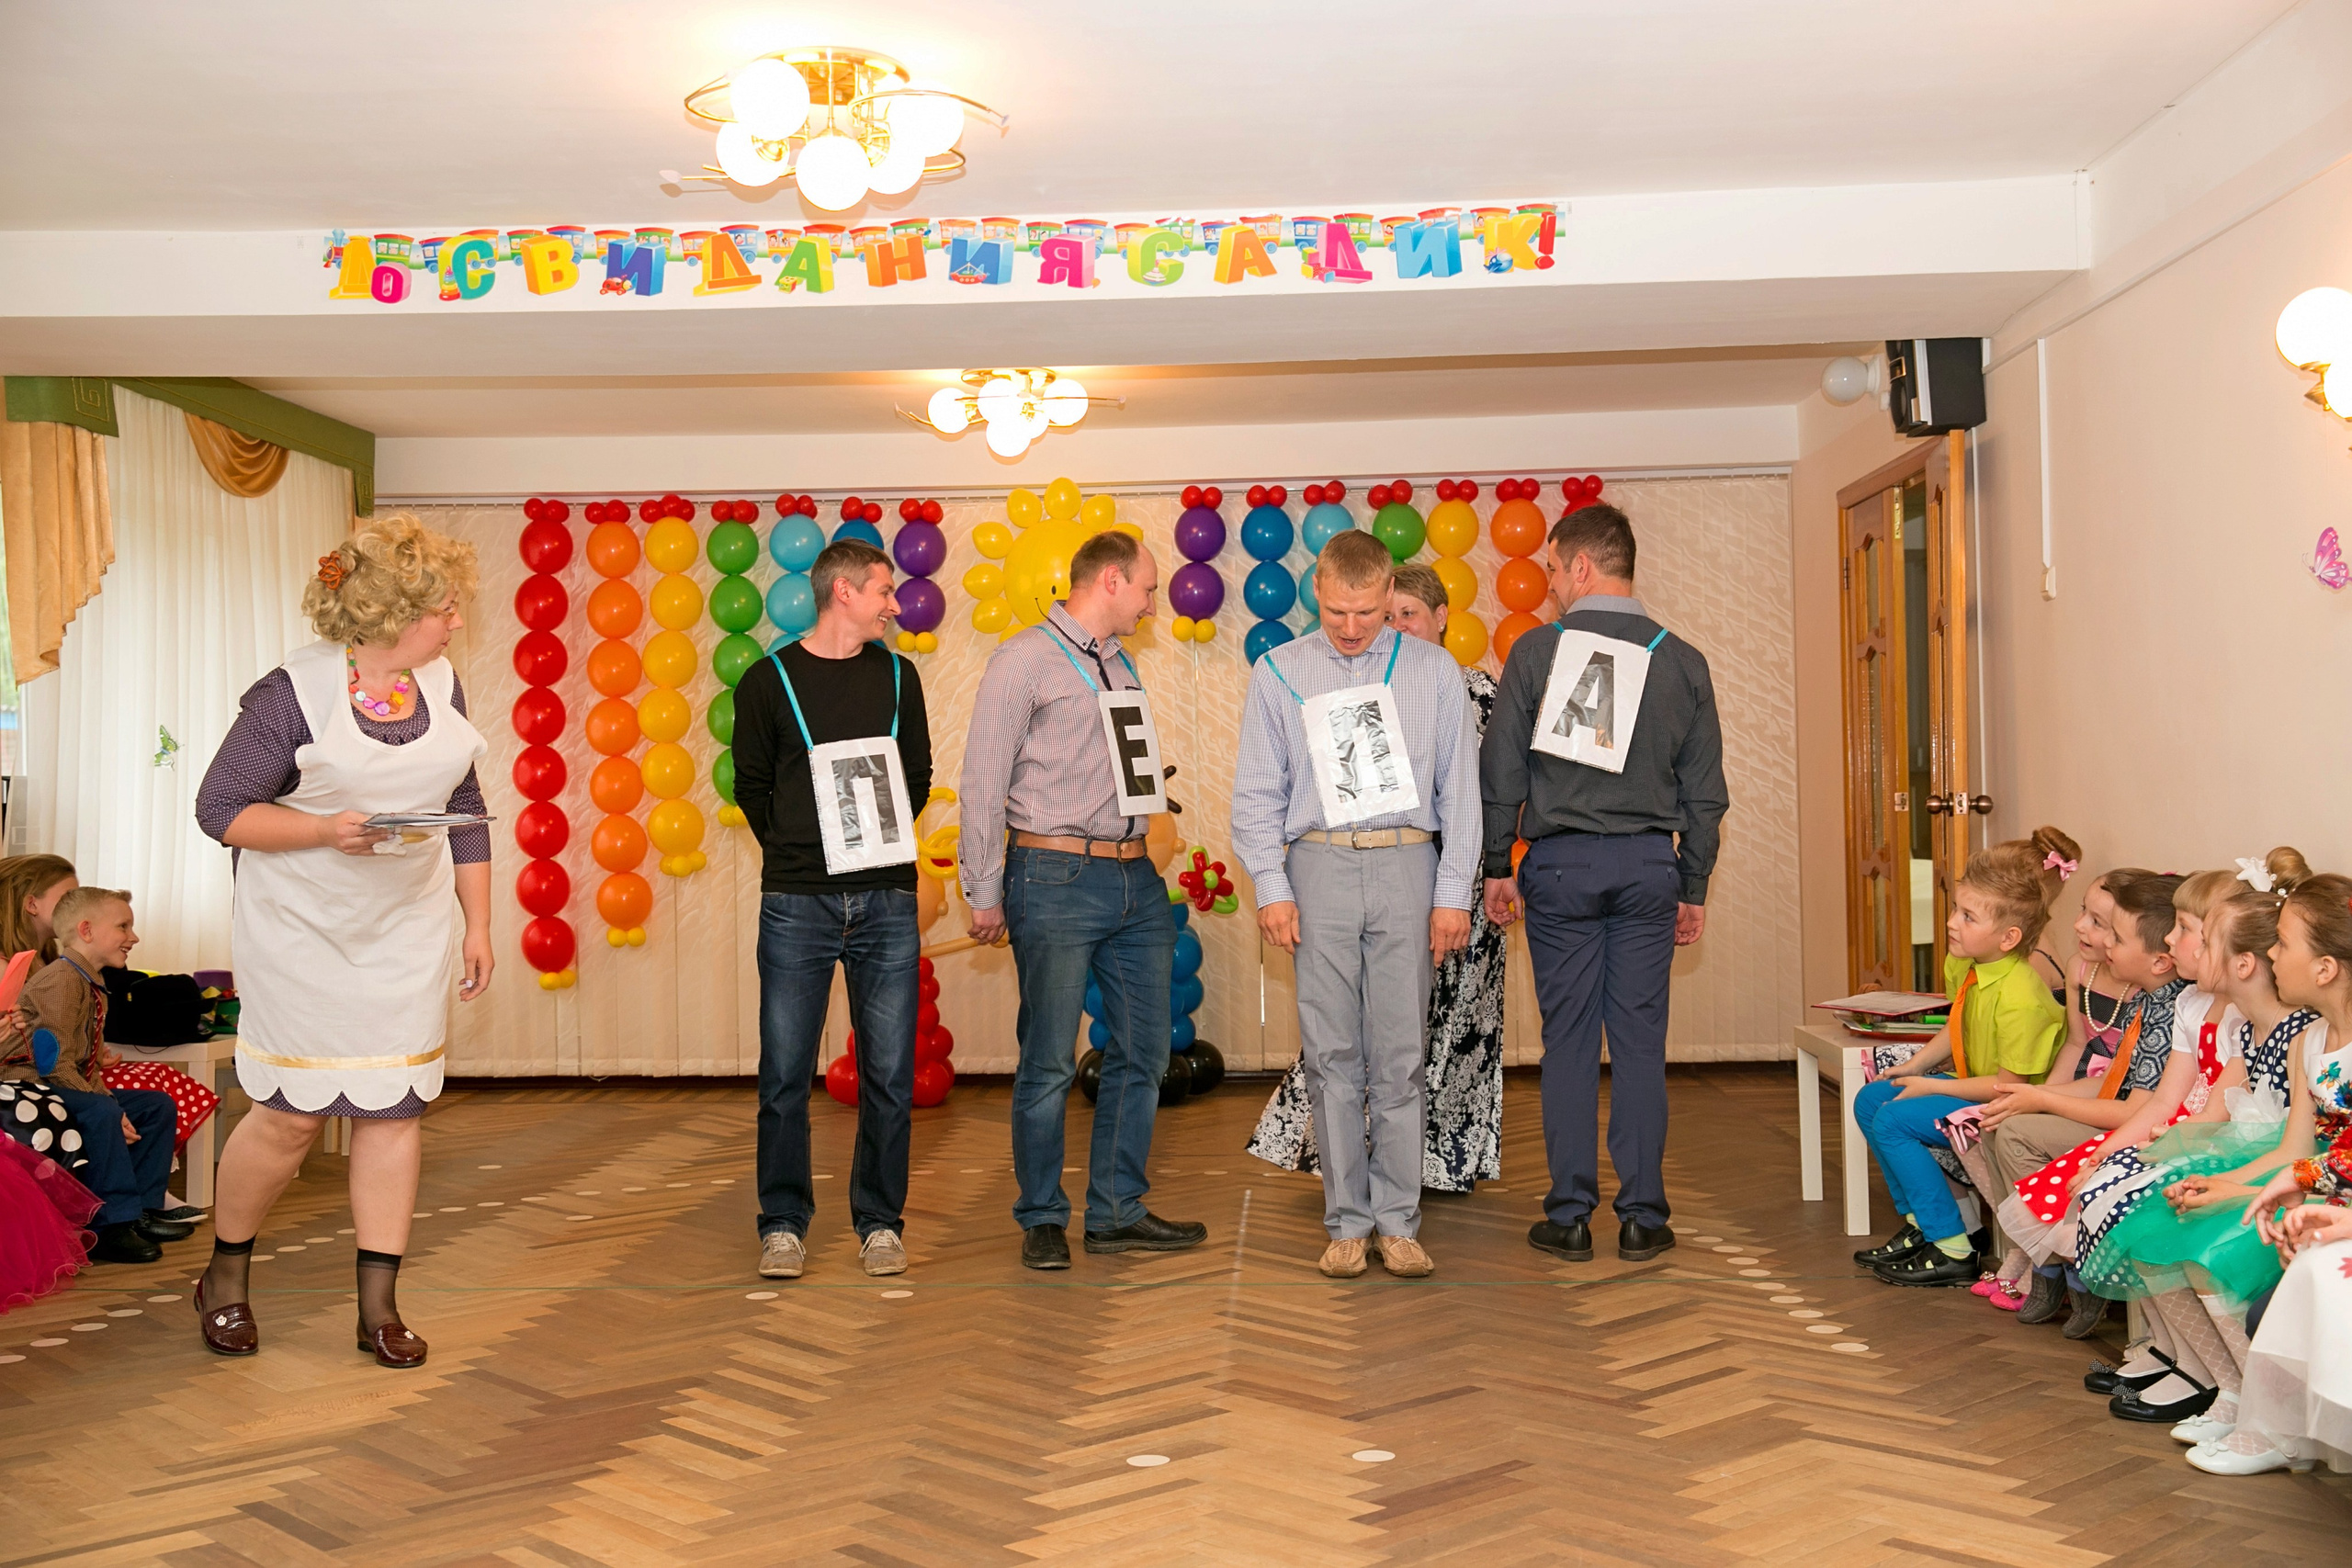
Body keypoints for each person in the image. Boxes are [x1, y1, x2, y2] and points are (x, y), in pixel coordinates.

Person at [190, 513, 493, 1369]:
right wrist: (326, 831)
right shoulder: (292, 692)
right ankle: (225, 1277)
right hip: (304, 931)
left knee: (394, 1109)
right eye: (443, 605)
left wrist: (480, 921)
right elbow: (220, 811)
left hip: (405, 927)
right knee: (287, 1118)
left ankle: (379, 1308)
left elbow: (463, 805)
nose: (456, 620)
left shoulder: (442, 684)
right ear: (391, 612)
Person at [1480, 502, 1728, 1264]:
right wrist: (1693, 885)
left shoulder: (1537, 653)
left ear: (1581, 566)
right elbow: (1707, 795)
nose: (1549, 583)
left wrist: (1497, 865)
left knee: (1569, 1046)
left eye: (1553, 568)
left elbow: (1502, 772)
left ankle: (1570, 1213)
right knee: (1641, 1045)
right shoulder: (1683, 660)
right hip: (1650, 866)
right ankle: (1645, 1216)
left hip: (1559, 868)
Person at [1233, 534, 1479, 1279]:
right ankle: (1346, 1220)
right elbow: (1255, 794)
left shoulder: (1434, 670)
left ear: (1386, 595)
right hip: (1319, 867)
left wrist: (1451, 893)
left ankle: (1398, 1220)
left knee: (1401, 1057)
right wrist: (1272, 888)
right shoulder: (1279, 670)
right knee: (1332, 1052)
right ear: (1317, 592)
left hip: (1409, 862)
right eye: (1337, 610)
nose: (1350, 626)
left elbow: (1460, 794)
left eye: (1367, 612)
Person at [960, 527, 1205, 1269]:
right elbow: (982, 780)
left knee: (1143, 1049)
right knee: (1048, 1059)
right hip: (1053, 875)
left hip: (1135, 878)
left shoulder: (1121, 664)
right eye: (1148, 587)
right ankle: (1041, 1216)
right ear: (1109, 580)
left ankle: (1115, 1210)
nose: (1154, 601)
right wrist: (983, 887)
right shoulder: (1023, 659)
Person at [731, 539, 931, 1281]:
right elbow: (751, 785)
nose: (893, 603)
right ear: (843, 593)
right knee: (785, 1072)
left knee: (889, 1073)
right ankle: (782, 1224)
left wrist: (871, 847)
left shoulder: (901, 678)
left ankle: (880, 1222)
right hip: (796, 903)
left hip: (888, 898)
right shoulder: (766, 680)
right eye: (884, 590)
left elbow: (916, 774)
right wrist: (801, 848)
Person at [1849, 837, 2072, 1286]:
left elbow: (2008, 1088)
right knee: (1870, 1100)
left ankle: (1951, 1246)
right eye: (1956, 909)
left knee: (1893, 1121)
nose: (1952, 923)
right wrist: (1915, 1068)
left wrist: (1933, 1086)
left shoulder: (2023, 994)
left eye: (1968, 917)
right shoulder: (1967, 963)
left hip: (2009, 1101)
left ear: (2009, 937)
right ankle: (1927, 1223)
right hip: (1974, 1083)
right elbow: (1958, 1024)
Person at [1978, 871, 2186, 1334]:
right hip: (2126, 1116)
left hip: (2145, 1131)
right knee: (2003, 1118)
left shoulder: (2169, 1009)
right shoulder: (2147, 1001)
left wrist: (2041, 1101)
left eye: (2116, 934)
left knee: (2015, 1132)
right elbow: (2111, 1083)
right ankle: (2051, 1260)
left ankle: (2066, 1267)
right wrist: (2034, 1096)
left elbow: (2136, 1108)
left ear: (2159, 959)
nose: (2105, 942)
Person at [0, 853, 217, 1196]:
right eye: (67, 897)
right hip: (32, 1078)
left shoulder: (59, 963)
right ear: (32, 904)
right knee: (113, 1102)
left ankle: (145, 1197)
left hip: (61, 1070)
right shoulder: (43, 972)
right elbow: (45, 1054)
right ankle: (119, 1208)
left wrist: (94, 1051)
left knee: (158, 1093)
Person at [1, 886, 187, 1264]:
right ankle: (110, 1225)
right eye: (123, 926)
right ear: (86, 930)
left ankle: (143, 1209)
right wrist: (107, 1105)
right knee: (102, 1113)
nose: (133, 937)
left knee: (154, 1106)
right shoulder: (62, 981)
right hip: (29, 1084)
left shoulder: (91, 983)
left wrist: (109, 1098)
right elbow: (54, 1064)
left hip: (58, 1082)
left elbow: (85, 1063)